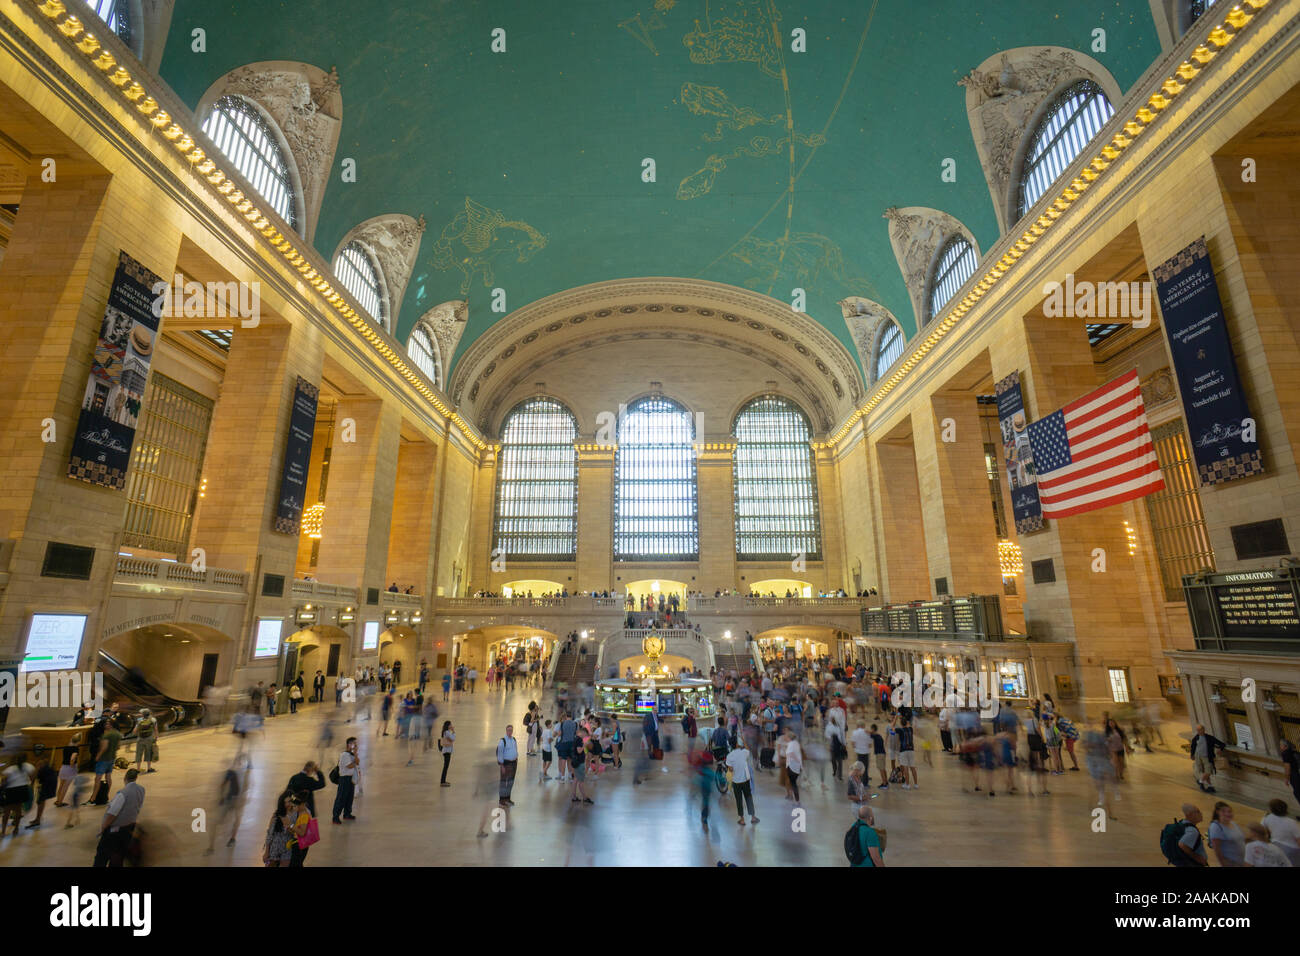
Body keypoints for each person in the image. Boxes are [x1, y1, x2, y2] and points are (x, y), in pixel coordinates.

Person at [93, 768, 145, 867]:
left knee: (102, 856)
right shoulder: (141, 790)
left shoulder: (122, 793)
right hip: (128, 829)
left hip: (114, 831)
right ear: (136, 778)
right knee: (118, 857)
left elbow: (112, 813)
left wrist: (103, 828)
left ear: (125, 778)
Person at [725, 740, 759, 826]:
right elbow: (748, 749)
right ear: (737, 744)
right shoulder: (743, 752)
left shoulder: (729, 756)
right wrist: (744, 741)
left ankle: (742, 819)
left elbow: (730, 769)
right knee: (748, 798)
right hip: (745, 780)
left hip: (736, 781)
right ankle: (753, 817)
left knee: (738, 800)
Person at [1, 754, 34, 835]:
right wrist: (30, 783)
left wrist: (2, 786)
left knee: (7, 811)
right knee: (18, 810)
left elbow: (4, 779)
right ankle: (16, 829)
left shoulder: (11, 768)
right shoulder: (28, 766)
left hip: (12, 790)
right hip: (23, 789)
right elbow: (32, 775)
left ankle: (3, 832)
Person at [1207, 801, 1246, 867]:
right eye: (1223, 811)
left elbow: (1241, 840)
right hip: (1230, 863)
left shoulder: (1233, 823)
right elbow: (1217, 850)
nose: (1227, 814)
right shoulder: (1216, 827)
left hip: (1241, 862)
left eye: (1229, 811)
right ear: (1217, 812)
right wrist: (1224, 863)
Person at [1261, 799, 1300, 864]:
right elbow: (1299, 840)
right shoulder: (1291, 822)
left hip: (1274, 846)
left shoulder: (1266, 818)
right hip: (1291, 850)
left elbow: (1262, 831)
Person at [263, 790, 295, 867]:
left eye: (289, 801)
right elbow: (269, 834)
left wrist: (290, 826)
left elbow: (295, 832)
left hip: (287, 849)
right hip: (274, 848)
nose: (287, 804)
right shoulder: (276, 815)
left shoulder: (295, 814)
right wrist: (266, 852)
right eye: (285, 802)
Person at [1190, 724, 1226, 793]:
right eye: (1198, 730)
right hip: (1198, 757)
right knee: (1204, 772)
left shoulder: (1209, 738)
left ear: (1203, 730)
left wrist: (1220, 749)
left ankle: (1200, 781)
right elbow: (1193, 747)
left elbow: (1222, 744)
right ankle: (1210, 786)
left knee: (1208, 771)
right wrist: (1192, 755)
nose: (1199, 731)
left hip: (1207, 757)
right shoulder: (1196, 738)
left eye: (1200, 730)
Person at [332, 737, 359, 824]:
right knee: (341, 798)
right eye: (354, 744)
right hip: (344, 778)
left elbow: (357, 762)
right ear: (349, 745)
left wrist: (355, 754)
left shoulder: (351, 754)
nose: (356, 745)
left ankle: (347, 813)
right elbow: (350, 766)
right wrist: (355, 761)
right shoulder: (344, 755)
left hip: (350, 778)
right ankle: (335, 817)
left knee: (349, 797)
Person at [496, 725, 519, 807]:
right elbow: (499, 753)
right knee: (503, 782)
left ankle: (507, 799)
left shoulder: (514, 740)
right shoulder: (503, 741)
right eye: (508, 730)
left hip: (513, 764)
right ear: (506, 731)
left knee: (510, 782)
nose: (510, 732)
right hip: (506, 764)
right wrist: (501, 765)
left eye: (511, 730)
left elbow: (516, 749)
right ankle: (501, 800)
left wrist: (516, 758)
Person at [132, 708, 159, 773]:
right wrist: (156, 737)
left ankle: (138, 769)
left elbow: (134, 731)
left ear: (143, 714)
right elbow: (156, 729)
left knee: (139, 753)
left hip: (140, 738)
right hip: (149, 738)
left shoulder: (139, 720)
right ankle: (149, 768)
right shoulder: (153, 720)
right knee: (149, 753)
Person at [784, 727, 803, 805]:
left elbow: (790, 753)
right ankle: (795, 798)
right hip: (797, 767)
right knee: (793, 783)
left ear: (789, 737)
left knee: (793, 783)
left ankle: (797, 800)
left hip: (792, 766)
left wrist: (795, 760)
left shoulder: (791, 744)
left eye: (786, 737)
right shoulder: (796, 743)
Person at [897, 716, 917, 790]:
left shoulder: (899, 730)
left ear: (900, 723)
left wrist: (896, 718)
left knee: (905, 768)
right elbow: (911, 726)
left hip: (903, 750)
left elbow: (891, 730)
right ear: (907, 722)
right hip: (911, 750)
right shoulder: (910, 729)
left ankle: (907, 784)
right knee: (913, 767)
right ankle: (916, 784)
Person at [438, 721, 455, 787]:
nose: (451, 725)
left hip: (447, 751)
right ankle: (442, 782)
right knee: (445, 767)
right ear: (448, 725)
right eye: (450, 724)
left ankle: (443, 781)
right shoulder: (447, 732)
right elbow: (453, 738)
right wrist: (453, 731)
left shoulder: (445, 732)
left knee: (446, 767)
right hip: (447, 751)